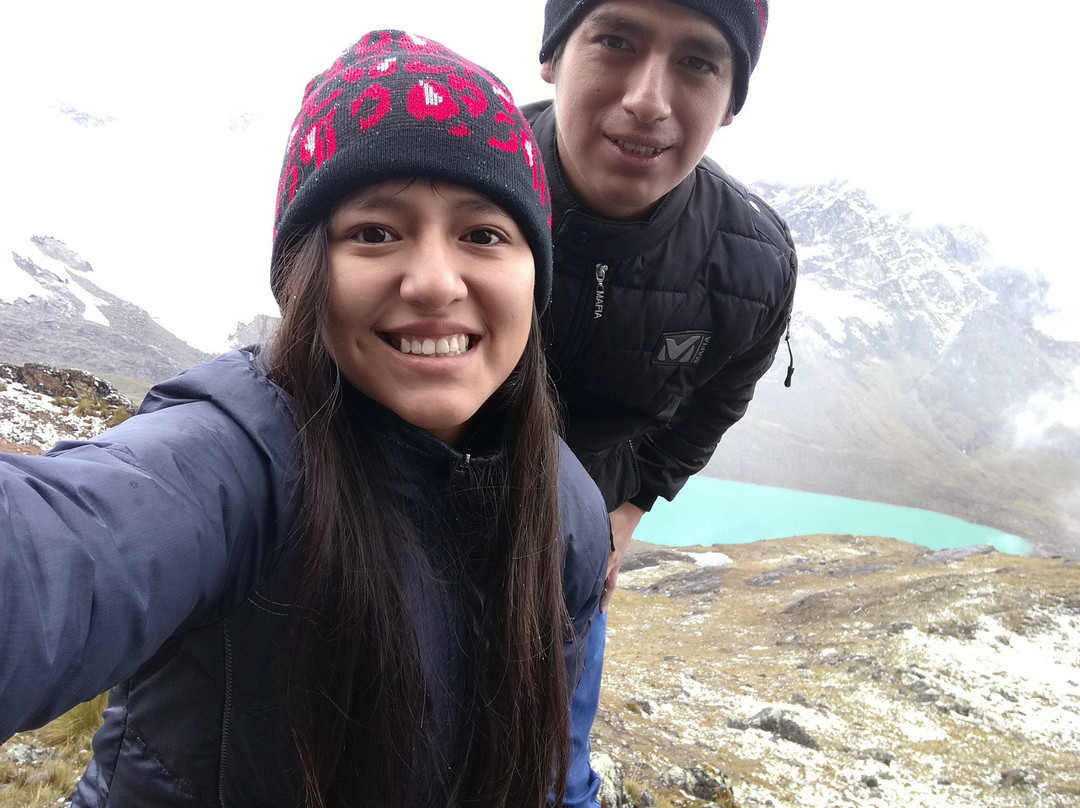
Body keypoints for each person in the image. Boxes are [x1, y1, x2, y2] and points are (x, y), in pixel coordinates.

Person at [0, 30, 609, 808]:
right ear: (303, 278)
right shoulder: (232, 458)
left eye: (483, 234)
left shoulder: (567, 511)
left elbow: (555, 772)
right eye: (374, 233)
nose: (432, 281)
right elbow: (59, 555)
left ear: (534, 274)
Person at [522, 1, 798, 804]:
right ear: (554, 56)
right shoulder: (449, 173)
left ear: (732, 100)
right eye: (615, 41)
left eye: (698, 62)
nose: (649, 98)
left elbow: (721, 393)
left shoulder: (752, 260)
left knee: (549, 780)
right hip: (396, 505)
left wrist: (633, 502)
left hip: (577, 540)